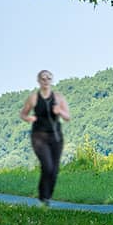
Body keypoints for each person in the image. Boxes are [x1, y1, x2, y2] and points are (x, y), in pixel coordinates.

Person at [20, 70, 71, 206]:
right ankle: (43, 197)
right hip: (39, 137)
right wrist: (29, 118)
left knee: (54, 169)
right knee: (47, 166)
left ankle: (47, 197)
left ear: (51, 80)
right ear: (39, 81)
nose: (46, 80)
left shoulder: (59, 98)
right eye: (43, 78)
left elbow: (67, 117)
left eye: (49, 78)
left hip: (56, 137)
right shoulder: (33, 98)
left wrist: (59, 111)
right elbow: (23, 114)